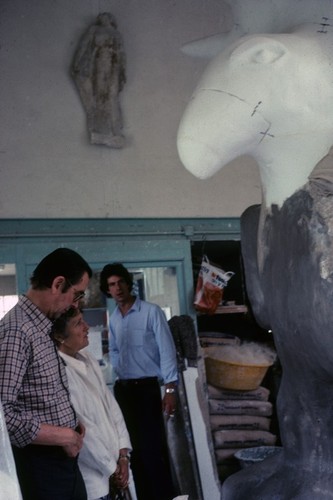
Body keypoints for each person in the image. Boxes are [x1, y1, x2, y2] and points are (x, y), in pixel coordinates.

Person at [0, 247, 92, 500]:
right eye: (76, 294)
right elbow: (2, 415)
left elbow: (39, 392)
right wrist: (63, 434)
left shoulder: (40, 327)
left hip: (62, 460)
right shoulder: (17, 331)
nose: (75, 305)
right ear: (58, 283)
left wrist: (71, 422)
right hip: (41, 467)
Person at [99, 263, 179, 500]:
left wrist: (170, 388)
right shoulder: (113, 319)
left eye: (120, 282)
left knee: (153, 451)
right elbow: (113, 351)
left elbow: (167, 350)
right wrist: (119, 372)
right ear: (108, 290)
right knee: (133, 454)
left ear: (128, 282)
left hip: (147, 389)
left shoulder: (151, 312)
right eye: (112, 285)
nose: (117, 288)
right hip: (124, 391)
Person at [51, 307, 136, 500]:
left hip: (118, 464)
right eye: (78, 324)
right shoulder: (59, 373)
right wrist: (111, 469)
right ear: (59, 336)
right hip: (94, 477)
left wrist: (123, 456)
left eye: (83, 320)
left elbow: (112, 408)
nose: (86, 327)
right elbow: (84, 433)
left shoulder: (87, 358)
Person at [71, 12, 126, 149]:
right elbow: (84, 45)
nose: (103, 18)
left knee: (112, 95)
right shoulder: (94, 30)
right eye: (101, 17)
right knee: (100, 94)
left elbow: (122, 54)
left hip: (114, 65)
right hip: (99, 62)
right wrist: (77, 62)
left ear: (110, 19)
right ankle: (100, 129)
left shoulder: (116, 33)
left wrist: (122, 73)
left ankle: (114, 130)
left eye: (106, 16)